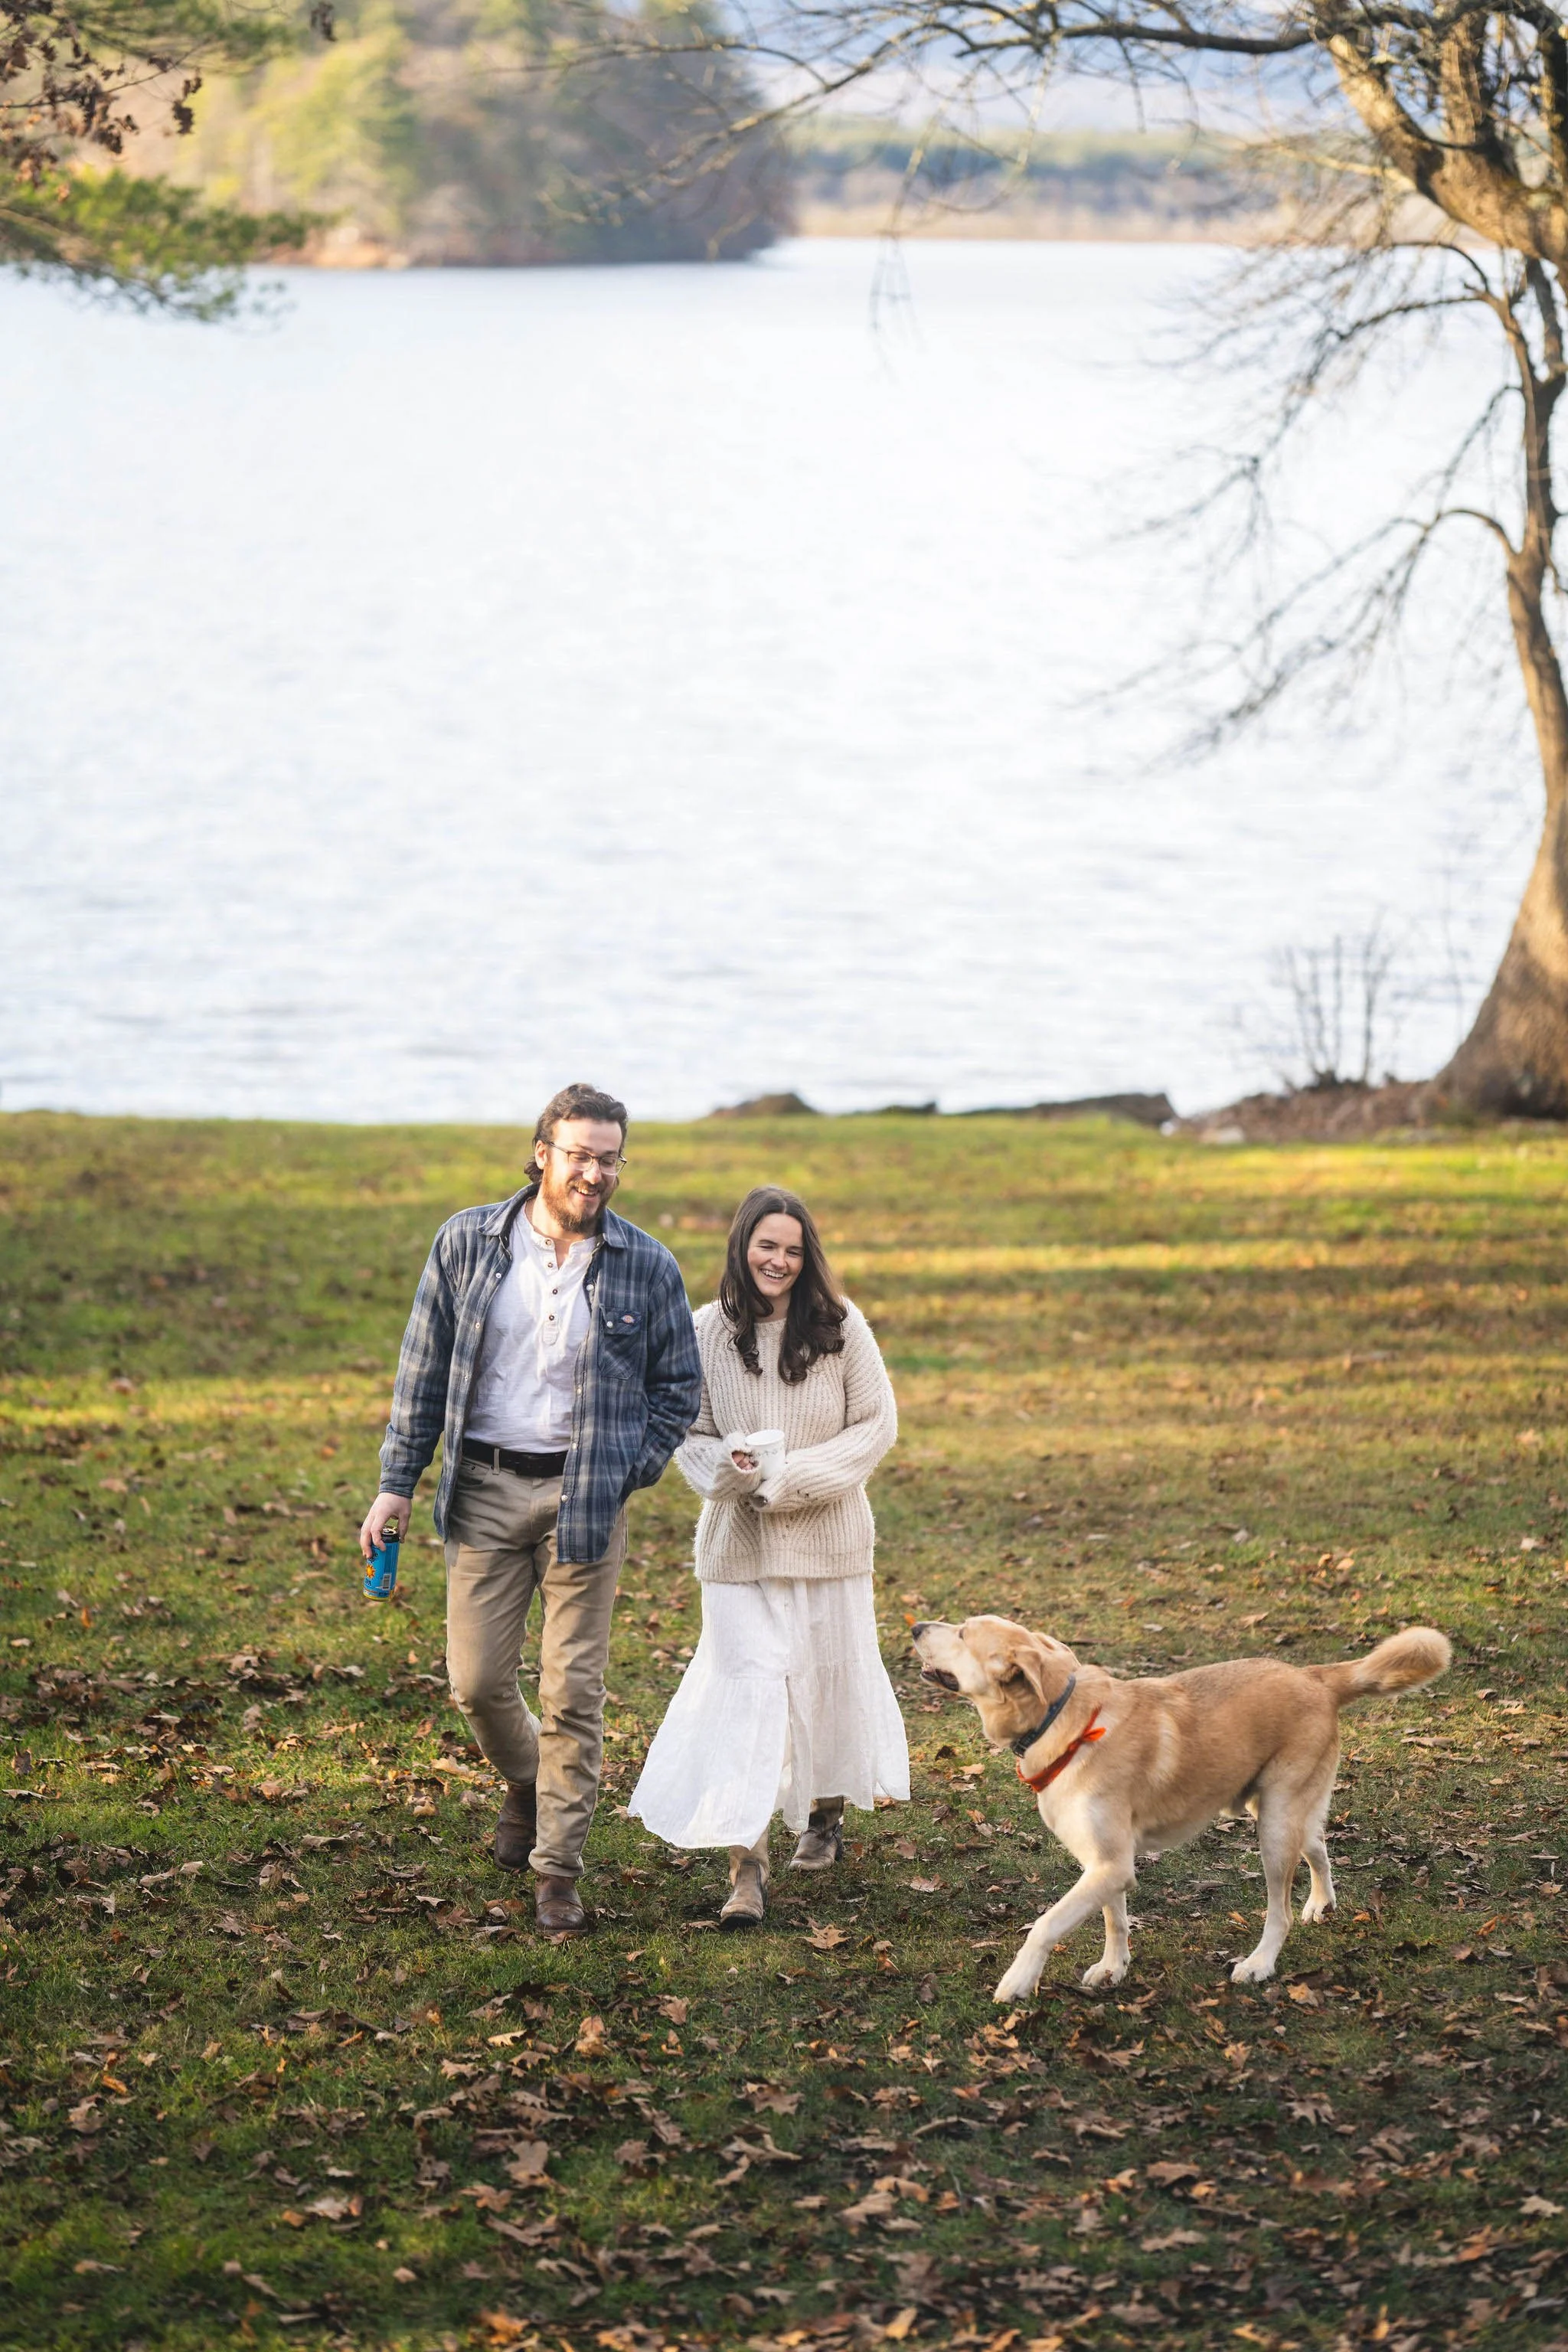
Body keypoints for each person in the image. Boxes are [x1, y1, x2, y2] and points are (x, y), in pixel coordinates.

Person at [359, 1083, 701, 1936]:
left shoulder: (646, 1264)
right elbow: (422, 1368)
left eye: (609, 1158)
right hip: (480, 1488)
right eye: (579, 1154)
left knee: (573, 1693)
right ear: (542, 1152)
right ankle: (525, 1779)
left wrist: (627, 1469)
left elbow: (677, 1389)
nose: (593, 1173)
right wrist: (397, 1480)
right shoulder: (467, 1242)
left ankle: (556, 1871)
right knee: (475, 1684)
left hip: (583, 1496)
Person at [629, 1184, 908, 1926]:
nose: (777, 1260)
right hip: (736, 1551)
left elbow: (873, 1426)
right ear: (740, 1247)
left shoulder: (841, 1328)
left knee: (821, 1684)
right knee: (748, 1694)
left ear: (805, 1255)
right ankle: (745, 1869)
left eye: (790, 1249)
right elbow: (685, 1434)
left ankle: (822, 1811)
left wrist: (789, 1480)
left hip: (830, 1540)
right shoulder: (702, 1333)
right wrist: (734, 1471)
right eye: (765, 1246)